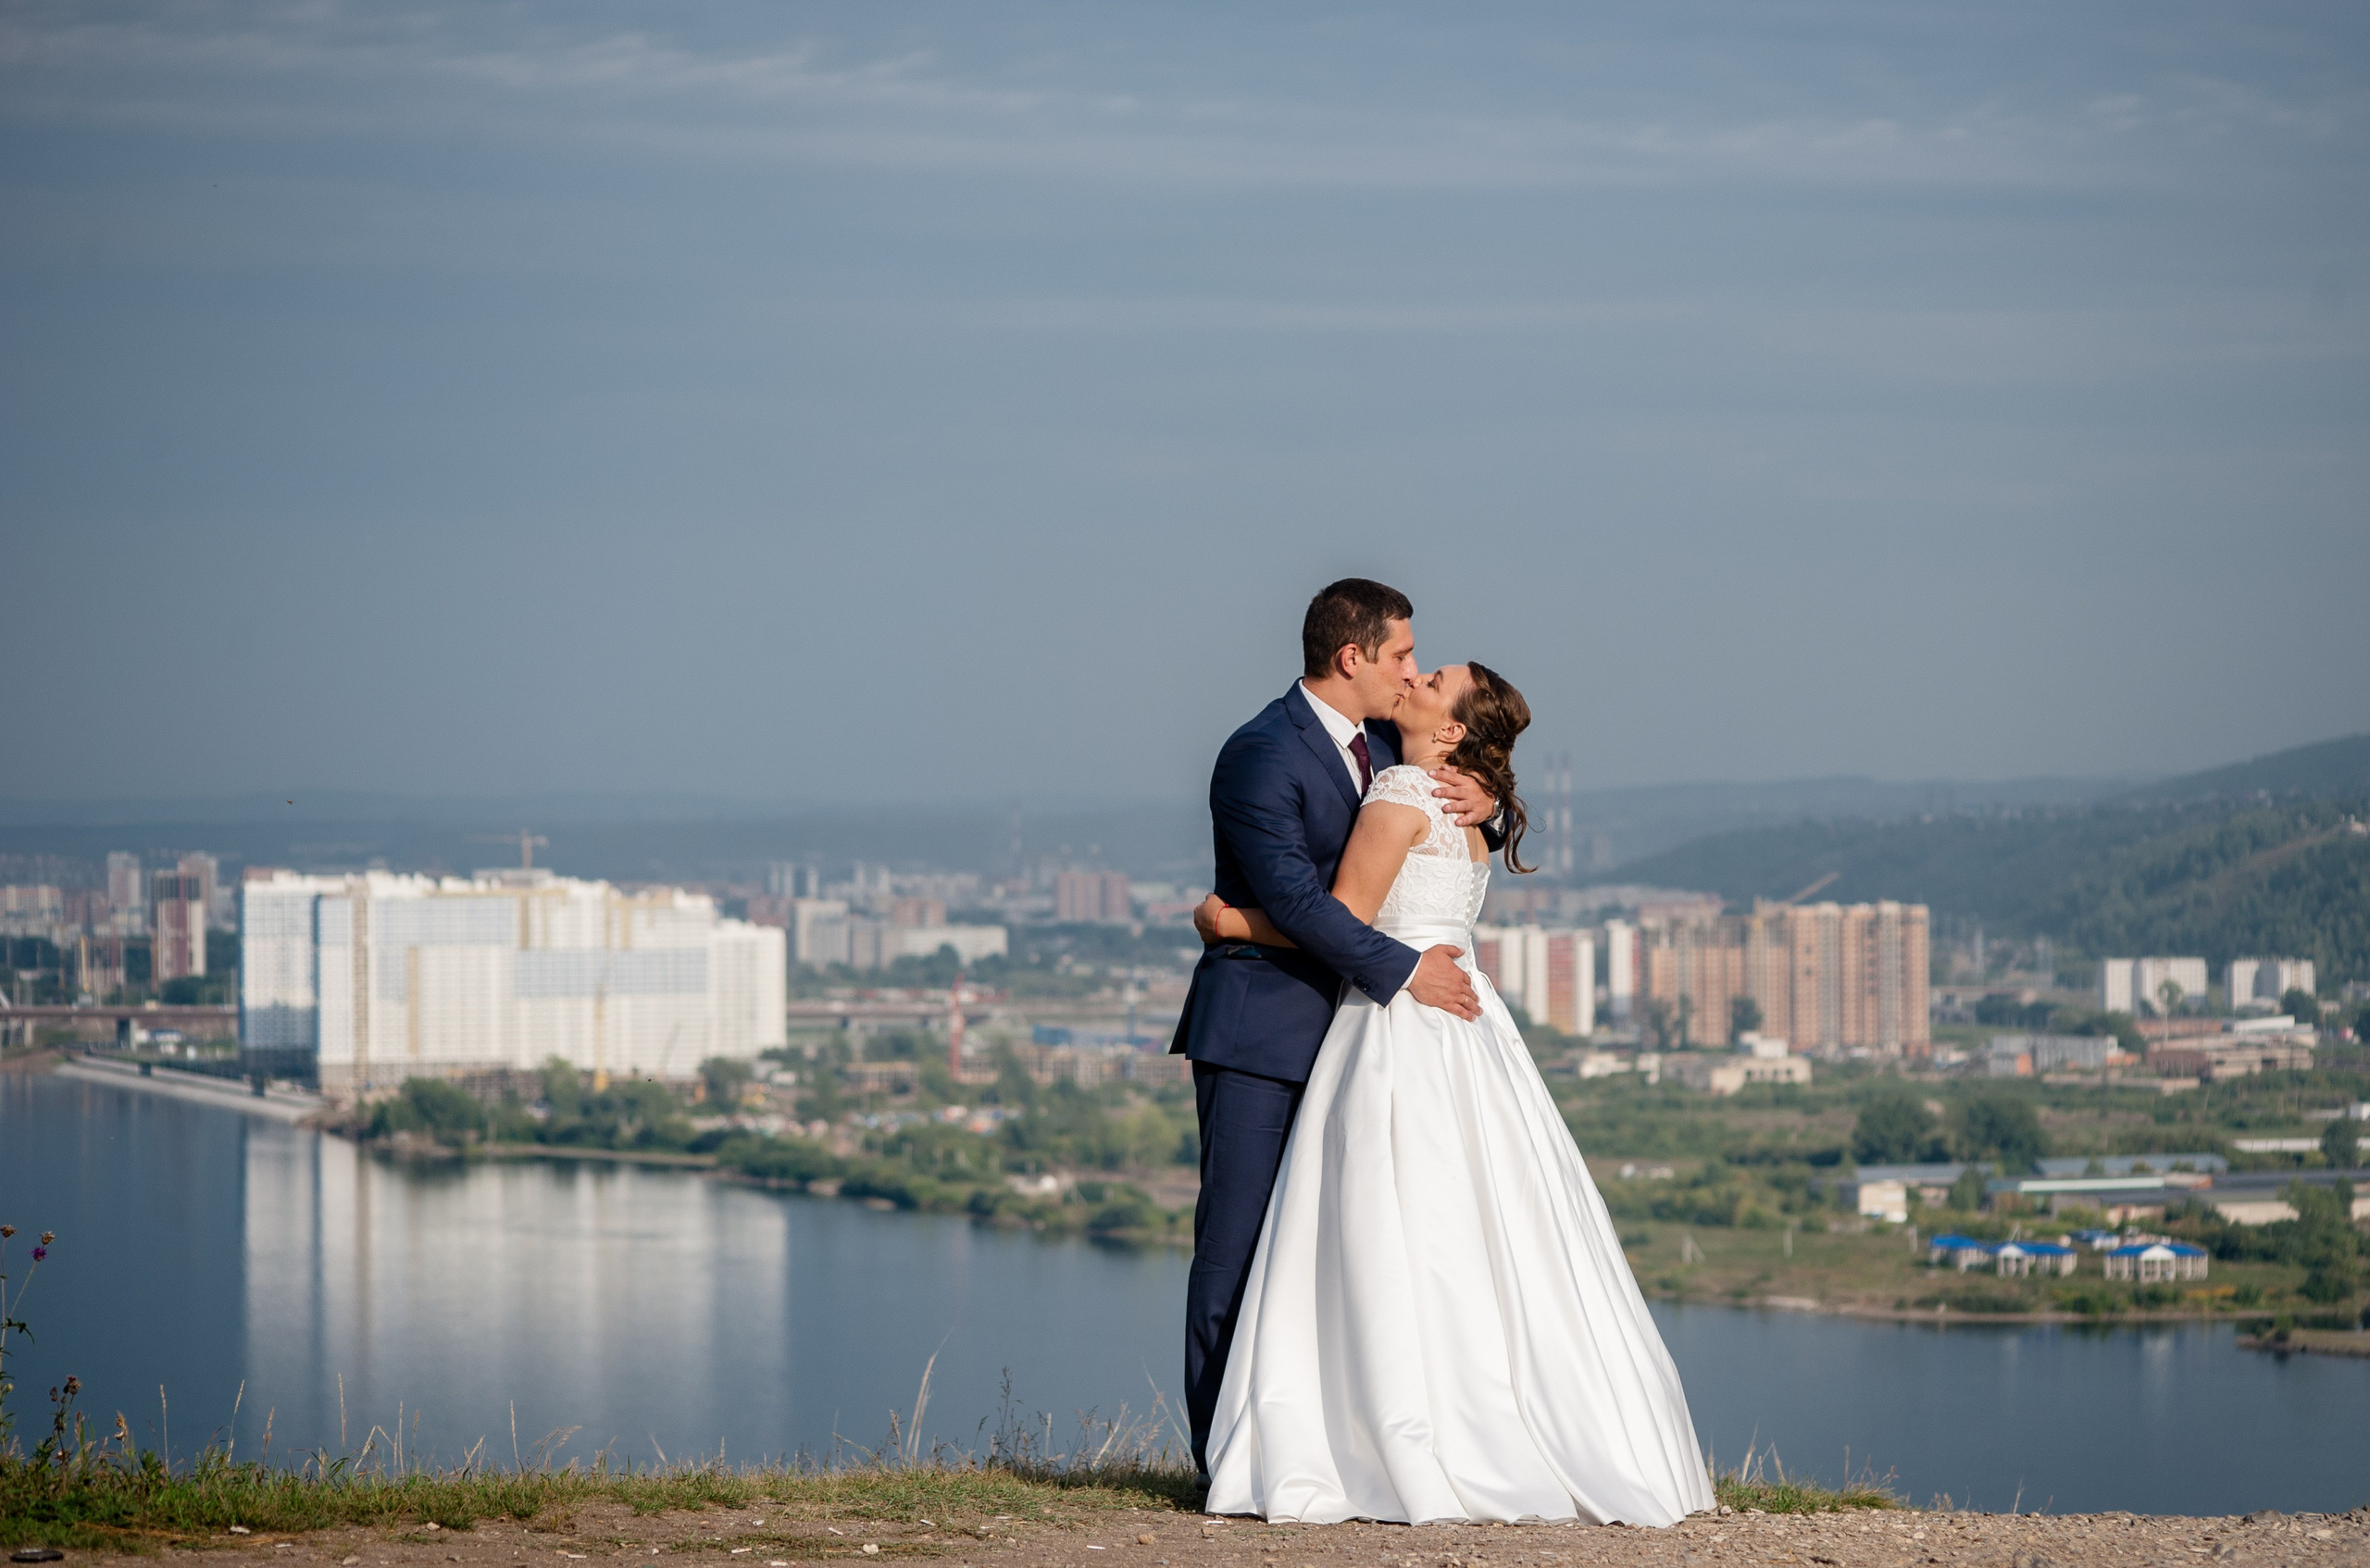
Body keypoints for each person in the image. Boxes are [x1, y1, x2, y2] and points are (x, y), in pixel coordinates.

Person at [1192, 659, 1715, 1527]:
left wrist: (1229, 920)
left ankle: (1381, 1436)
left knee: (1380, 1226)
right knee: (1474, 1226)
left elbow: (1344, 921)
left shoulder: (1402, 790)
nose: (1415, 674)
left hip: (1394, 1024)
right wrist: (1491, 795)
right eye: (1412, 661)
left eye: (1430, 676)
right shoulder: (1461, 808)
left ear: (1454, 729)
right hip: (1469, 1027)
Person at [1171, 578, 1505, 1478]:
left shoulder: (1382, 756)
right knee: (1238, 1251)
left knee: (1344, 1255)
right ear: (1353, 655)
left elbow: (1413, 846)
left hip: (1359, 1039)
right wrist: (1403, 967)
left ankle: (1322, 1446)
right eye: (1402, 654)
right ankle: (1223, 1462)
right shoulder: (1261, 751)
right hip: (1264, 1034)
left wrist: (1480, 793)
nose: (1410, 671)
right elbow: (1294, 899)